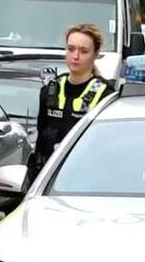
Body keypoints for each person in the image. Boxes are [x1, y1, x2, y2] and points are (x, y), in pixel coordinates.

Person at [26, 23, 115, 183]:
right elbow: (40, 140)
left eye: (84, 51)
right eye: (71, 49)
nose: (75, 56)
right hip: (48, 179)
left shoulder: (105, 94)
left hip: (87, 180)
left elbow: (108, 147)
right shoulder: (50, 91)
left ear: (96, 55)